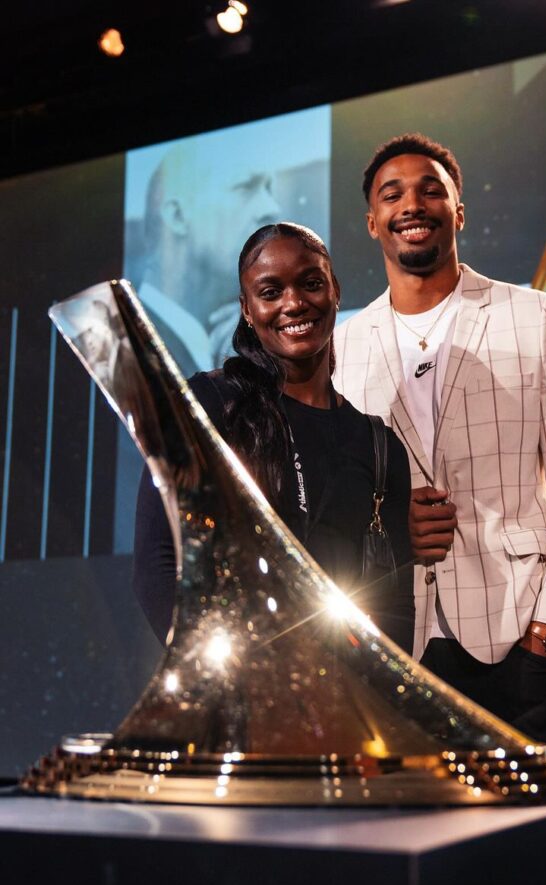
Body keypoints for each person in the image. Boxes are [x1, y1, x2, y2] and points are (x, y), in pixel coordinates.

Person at [334, 134, 546, 765]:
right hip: (394, 649)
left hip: (518, 645)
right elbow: (338, 500)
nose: (413, 203)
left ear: (457, 211)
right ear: (373, 221)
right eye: (393, 194)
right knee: (415, 851)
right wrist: (392, 526)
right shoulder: (345, 347)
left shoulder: (532, 315)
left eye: (431, 189)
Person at [133, 222, 415, 653]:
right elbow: (158, 560)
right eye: (271, 292)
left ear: (335, 289)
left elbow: (394, 604)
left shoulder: (379, 446)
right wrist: (219, 673)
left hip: (341, 700)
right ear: (247, 309)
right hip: (234, 692)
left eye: (311, 283)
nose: (294, 303)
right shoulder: (209, 404)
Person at [137, 139, 284, 375]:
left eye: (268, 189)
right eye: (246, 187)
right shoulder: (122, 349)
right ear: (177, 216)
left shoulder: (241, 341)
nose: (272, 208)